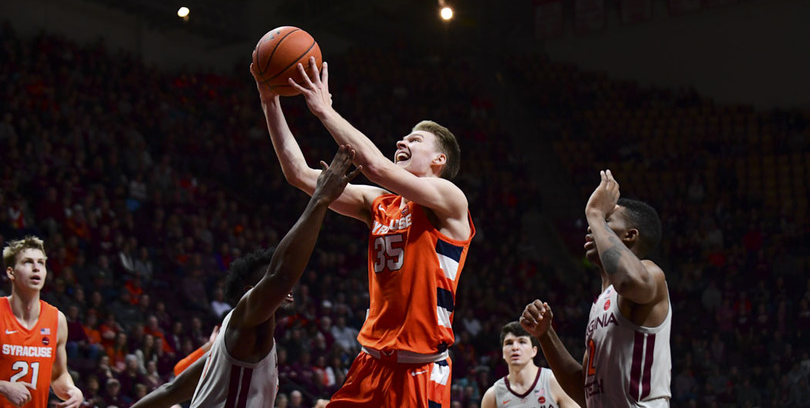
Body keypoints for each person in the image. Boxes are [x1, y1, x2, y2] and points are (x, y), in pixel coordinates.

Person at [253, 57, 475, 407]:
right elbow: (298, 174)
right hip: (370, 364)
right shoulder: (379, 203)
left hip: (420, 371)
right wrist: (270, 101)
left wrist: (324, 111)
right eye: (403, 137)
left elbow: (375, 166)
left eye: (415, 140)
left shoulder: (449, 199)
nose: (403, 141)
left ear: (439, 161)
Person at [129, 145, 357, 408]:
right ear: (250, 291)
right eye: (269, 284)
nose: (289, 289)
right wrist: (320, 199)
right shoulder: (246, 320)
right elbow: (281, 274)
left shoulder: (230, 343)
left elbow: (173, 388)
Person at [521, 170, 671, 407]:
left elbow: (629, 281)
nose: (592, 227)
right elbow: (585, 392)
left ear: (630, 236)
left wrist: (595, 212)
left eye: (607, 220)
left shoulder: (650, 272)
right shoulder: (601, 302)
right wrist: (545, 334)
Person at [0, 236, 84, 408]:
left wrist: (72, 390)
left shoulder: (57, 319)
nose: (36, 268)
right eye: (28, 262)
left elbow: (58, 375)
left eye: (41, 263)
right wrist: (3, 386)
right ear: (11, 272)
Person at [480, 322, 579, 408]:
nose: (515, 347)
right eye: (509, 343)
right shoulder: (493, 395)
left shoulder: (555, 381)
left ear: (534, 351)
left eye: (522, 342)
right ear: (503, 353)